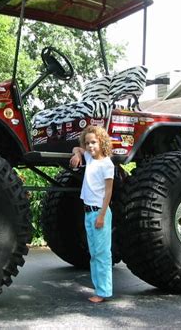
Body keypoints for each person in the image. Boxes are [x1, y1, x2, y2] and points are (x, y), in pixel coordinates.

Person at [70, 125, 114, 303]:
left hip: (99, 212)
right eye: (87, 143)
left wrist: (102, 216)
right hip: (88, 213)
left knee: (102, 254)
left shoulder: (107, 164)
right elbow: (76, 148)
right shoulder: (88, 157)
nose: (90, 146)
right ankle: (99, 290)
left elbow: (109, 192)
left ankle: (103, 292)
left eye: (94, 142)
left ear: (101, 142)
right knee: (94, 254)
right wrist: (77, 154)